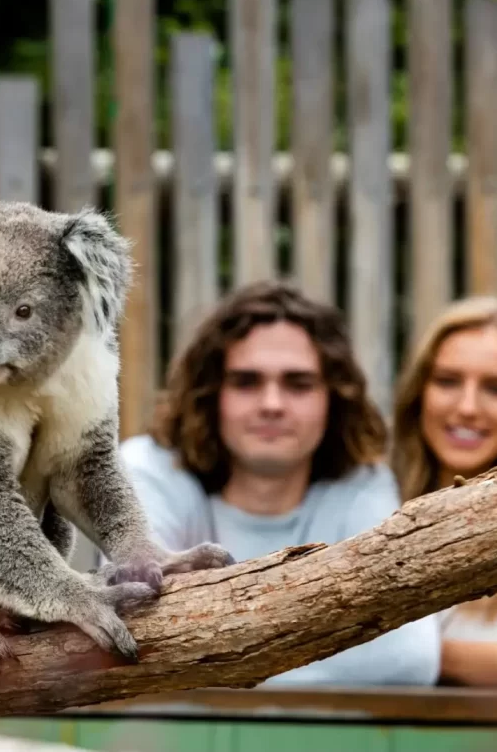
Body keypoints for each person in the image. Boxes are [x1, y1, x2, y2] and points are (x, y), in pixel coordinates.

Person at [119, 279, 440, 686]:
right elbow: (139, 630)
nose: (272, 404)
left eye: (298, 384)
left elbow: (408, 658)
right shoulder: (151, 469)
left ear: (333, 397)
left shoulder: (362, 487)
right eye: (247, 382)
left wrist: (212, 664)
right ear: (212, 392)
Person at [391, 295, 497, 687]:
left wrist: (415, 654)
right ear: (420, 391)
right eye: (448, 381)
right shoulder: (371, 501)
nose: (468, 407)